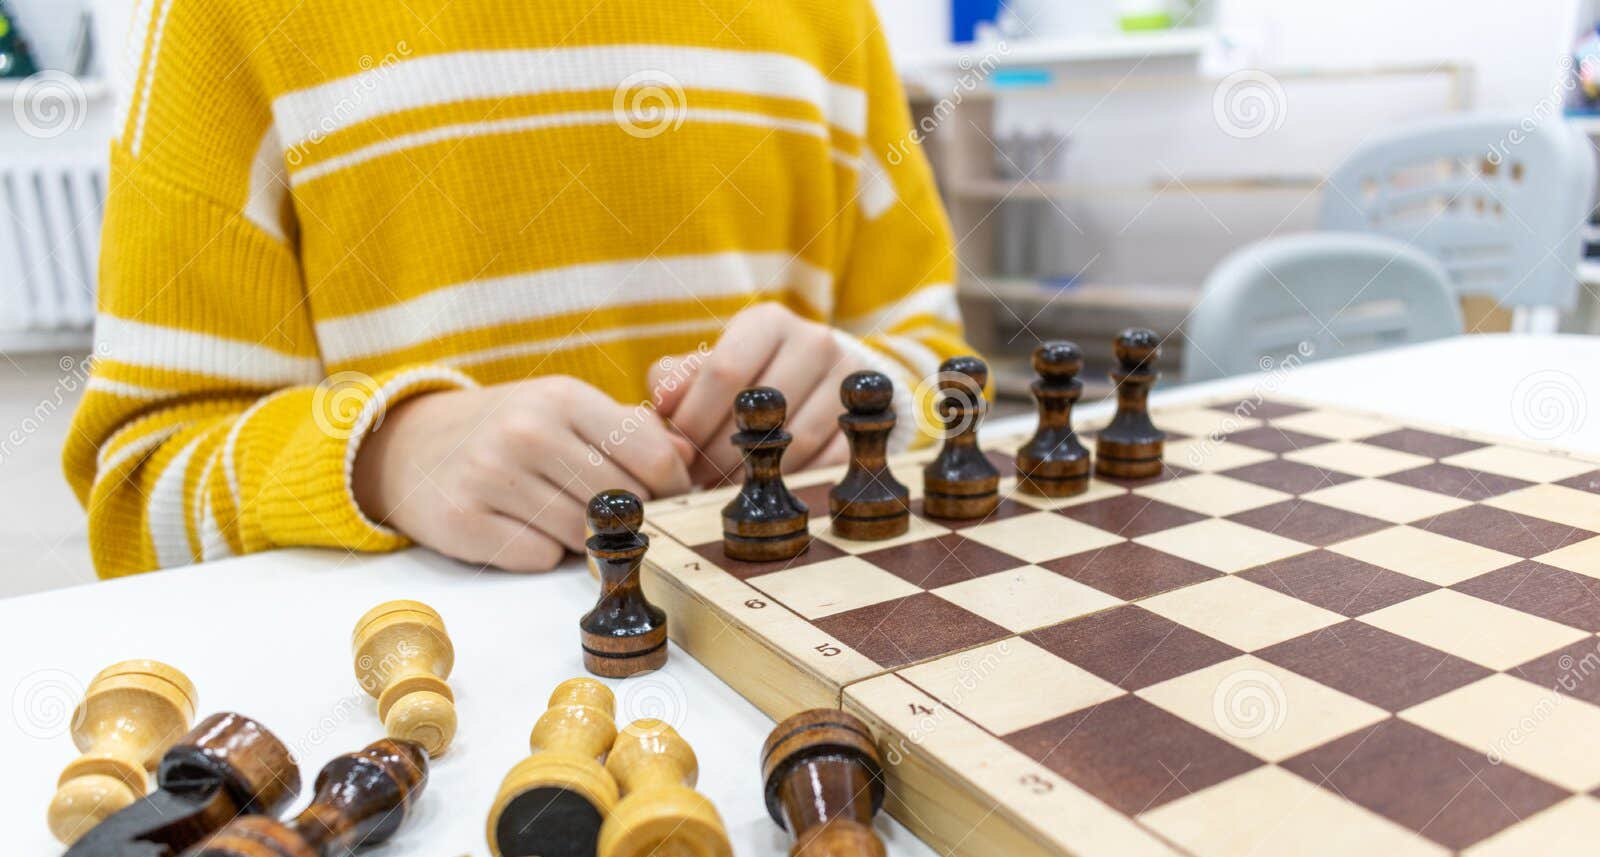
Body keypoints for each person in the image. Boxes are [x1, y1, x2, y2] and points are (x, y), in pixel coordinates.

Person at [66, 0, 970, 576]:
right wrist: (385, 454)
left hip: (809, 655)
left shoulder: (831, 15)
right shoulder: (215, 20)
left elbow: (944, 372)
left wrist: (868, 396)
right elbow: (139, 496)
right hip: (426, 735)